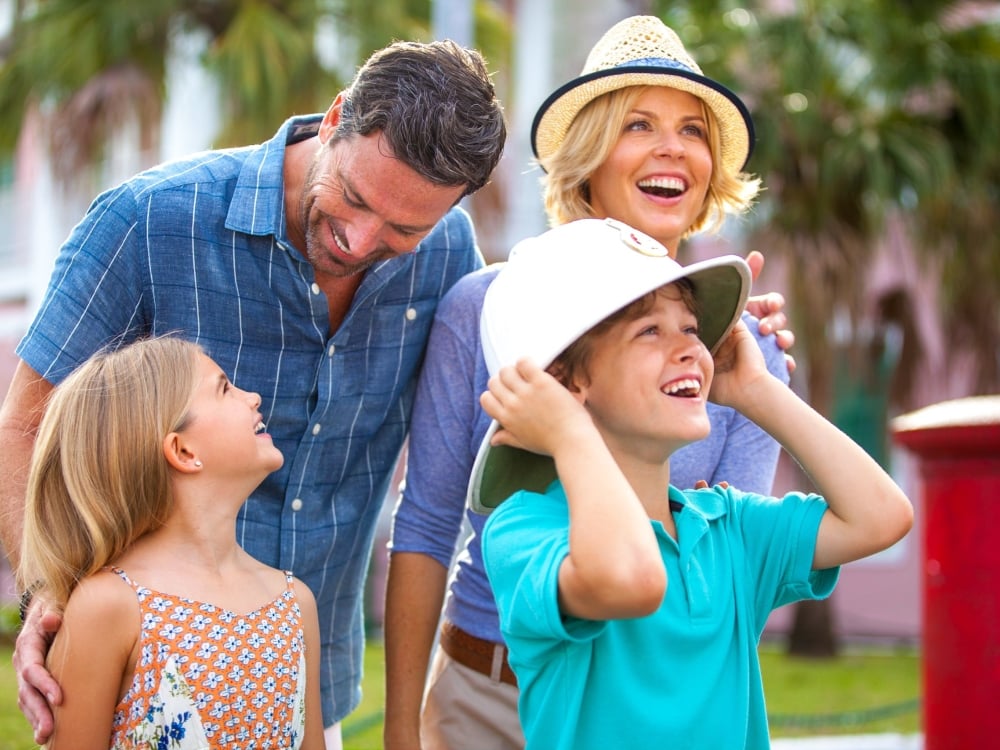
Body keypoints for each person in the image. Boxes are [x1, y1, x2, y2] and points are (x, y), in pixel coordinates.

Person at [0, 38, 506, 747]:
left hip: (311, 682)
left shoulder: (450, 254)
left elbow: (451, 466)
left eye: (403, 230)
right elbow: (24, 428)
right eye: (354, 199)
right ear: (335, 119)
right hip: (138, 685)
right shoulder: (149, 221)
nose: (360, 242)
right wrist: (47, 594)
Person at [384, 16, 791, 749]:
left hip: (640, 708)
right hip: (484, 696)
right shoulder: (482, 309)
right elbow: (426, 524)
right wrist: (398, 730)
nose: (673, 147)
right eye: (638, 124)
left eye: (693, 131)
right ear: (589, 158)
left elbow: (725, 571)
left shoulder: (742, 354)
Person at [474, 218, 913, 749]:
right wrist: (569, 431)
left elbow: (883, 517)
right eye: (649, 331)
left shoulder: (726, 527)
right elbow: (630, 580)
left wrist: (756, 390)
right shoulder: (526, 530)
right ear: (570, 383)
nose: (689, 349)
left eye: (690, 328)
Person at [16, 336, 325, 749]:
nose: (252, 397)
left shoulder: (295, 603)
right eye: (224, 388)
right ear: (182, 450)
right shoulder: (108, 607)